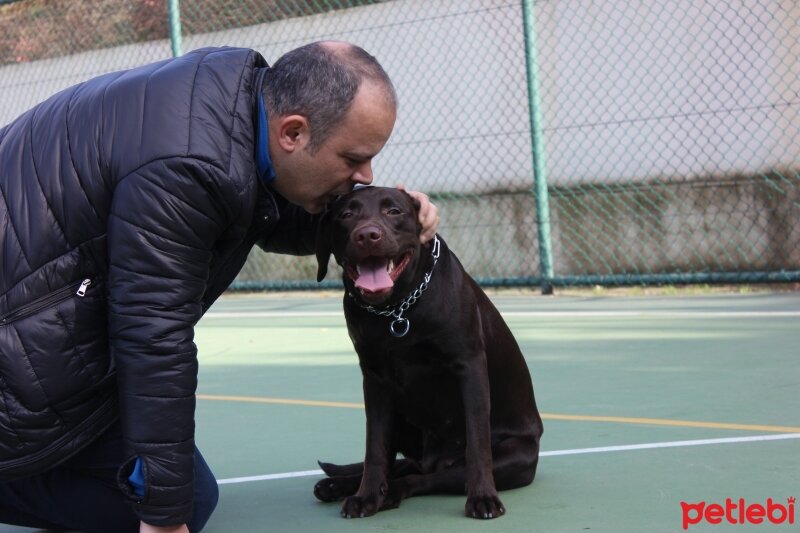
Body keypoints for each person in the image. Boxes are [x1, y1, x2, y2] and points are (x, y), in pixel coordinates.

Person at [0, 41, 439, 532]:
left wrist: (390, 220)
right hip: (17, 354)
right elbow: (152, 333)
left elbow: (266, 212)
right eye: (354, 159)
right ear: (293, 132)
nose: (366, 176)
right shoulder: (190, 165)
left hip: (34, 333)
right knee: (176, 502)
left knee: (174, 487)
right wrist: (162, 519)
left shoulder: (233, 103)